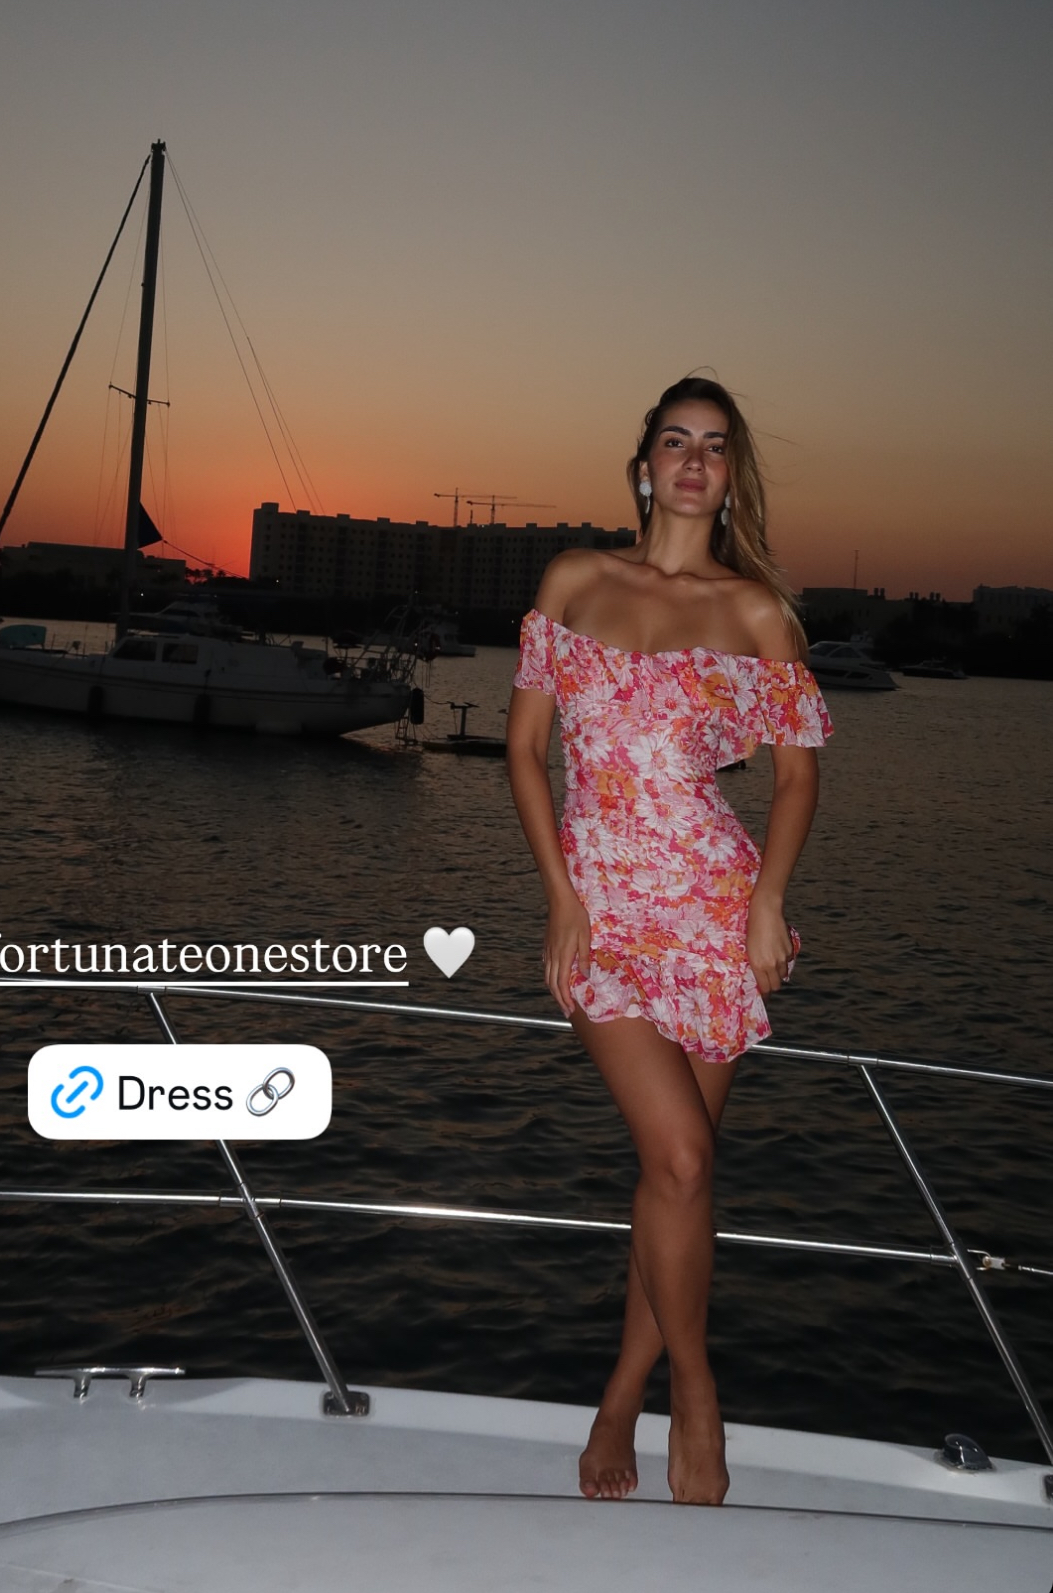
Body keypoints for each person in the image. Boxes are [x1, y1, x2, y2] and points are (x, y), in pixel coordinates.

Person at [505, 376, 832, 1507]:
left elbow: (797, 778)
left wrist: (767, 900)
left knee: (675, 1175)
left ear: (731, 476)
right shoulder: (575, 580)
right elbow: (526, 751)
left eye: (716, 446)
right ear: (643, 463)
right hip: (600, 911)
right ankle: (696, 1388)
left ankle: (618, 1400)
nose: (694, 461)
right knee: (683, 1158)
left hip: (711, 910)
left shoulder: (757, 612)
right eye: (676, 441)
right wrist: (560, 899)